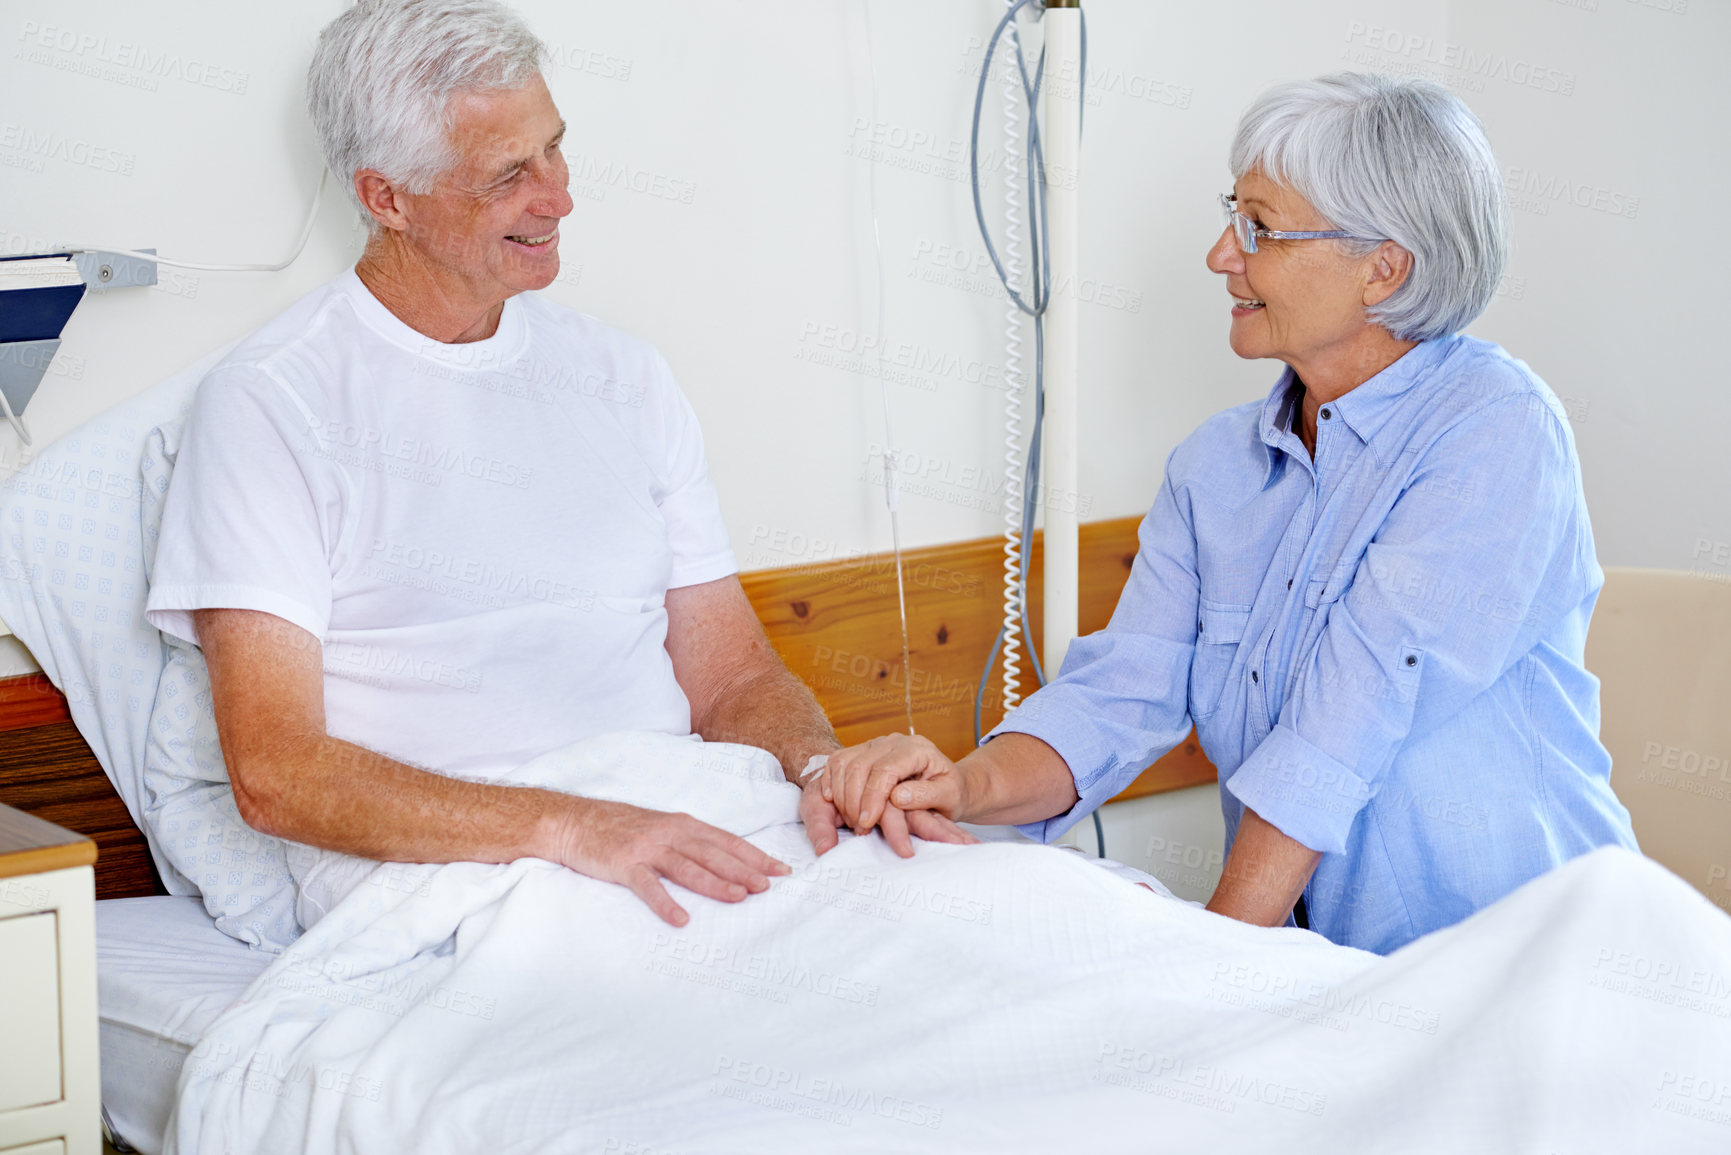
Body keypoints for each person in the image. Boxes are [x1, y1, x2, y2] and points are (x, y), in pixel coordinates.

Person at [143, 0, 970, 931]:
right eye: (507, 175)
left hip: (691, 818)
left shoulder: (623, 376)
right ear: (386, 199)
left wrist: (822, 770)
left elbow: (732, 678)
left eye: (555, 149)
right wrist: (579, 829)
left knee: (986, 926)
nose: (559, 196)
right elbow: (278, 775)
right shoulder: (273, 404)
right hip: (466, 875)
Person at [819, 72, 1637, 954]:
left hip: (1533, 959)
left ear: (1383, 266)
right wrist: (962, 785)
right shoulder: (1214, 468)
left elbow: (1343, 724)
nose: (1220, 253)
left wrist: (1216, 971)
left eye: (1259, 227)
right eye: (1231, 215)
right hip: (1333, 972)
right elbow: (1119, 694)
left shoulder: (1494, 429)